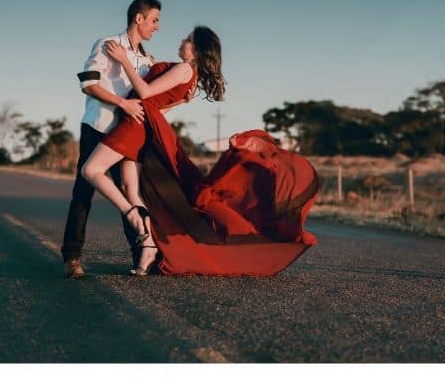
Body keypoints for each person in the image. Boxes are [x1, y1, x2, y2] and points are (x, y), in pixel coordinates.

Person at [82, 26, 320, 277]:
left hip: (134, 122)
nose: (182, 41)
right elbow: (161, 106)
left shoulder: (185, 68)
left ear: (196, 50)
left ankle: (134, 218)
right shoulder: (191, 79)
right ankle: (149, 245)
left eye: (188, 40)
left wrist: (123, 61)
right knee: (130, 189)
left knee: (91, 169)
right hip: (144, 124)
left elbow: (145, 93)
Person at [61, 0, 192, 279]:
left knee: (128, 189)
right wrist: (123, 105)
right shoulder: (108, 44)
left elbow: (151, 101)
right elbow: (88, 83)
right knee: (83, 193)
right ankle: (71, 258)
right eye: (155, 20)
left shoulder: (147, 60)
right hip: (99, 126)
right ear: (139, 19)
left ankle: (141, 253)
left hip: (128, 133)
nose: (157, 27)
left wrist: (181, 101)